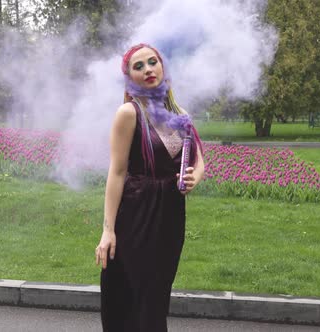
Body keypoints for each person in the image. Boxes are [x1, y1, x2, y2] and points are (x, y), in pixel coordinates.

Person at [96, 43, 205, 331]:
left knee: (157, 296)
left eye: (152, 62)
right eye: (138, 66)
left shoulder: (179, 113)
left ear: (162, 66)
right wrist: (108, 230)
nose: (147, 70)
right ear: (130, 77)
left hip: (170, 216)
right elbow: (117, 172)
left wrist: (196, 176)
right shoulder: (129, 113)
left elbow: (198, 157)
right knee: (135, 296)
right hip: (136, 215)